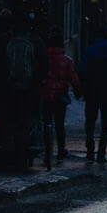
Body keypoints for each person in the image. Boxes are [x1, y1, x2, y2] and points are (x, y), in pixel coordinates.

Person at [0, 11, 45, 170]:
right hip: (29, 89)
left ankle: (6, 150)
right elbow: (43, 65)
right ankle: (22, 152)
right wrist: (36, 80)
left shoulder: (5, 40)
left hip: (8, 89)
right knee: (25, 120)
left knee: (7, 119)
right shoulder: (35, 41)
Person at [40, 30, 82, 168]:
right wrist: (77, 91)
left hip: (45, 94)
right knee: (59, 123)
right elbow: (73, 78)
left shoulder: (43, 57)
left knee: (46, 122)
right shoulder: (67, 60)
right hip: (60, 95)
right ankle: (60, 149)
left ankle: (46, 148)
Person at [79, 32, 107, 161]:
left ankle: (90, 148)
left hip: (92, 90)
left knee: (91, 120)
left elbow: (82, 69)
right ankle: (101, 152)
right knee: (106, 122)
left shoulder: (90, 50)